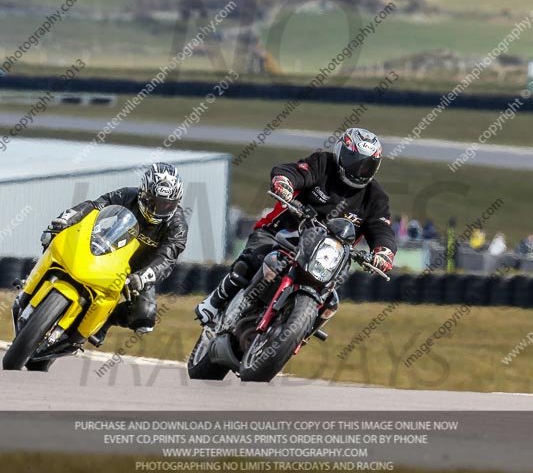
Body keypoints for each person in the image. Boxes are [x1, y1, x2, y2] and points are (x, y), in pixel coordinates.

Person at [196, 127, 397, 325]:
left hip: (327, 258)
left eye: (366, 165)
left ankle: (299, 331)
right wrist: (284, 183)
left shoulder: (375, 197)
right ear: (341, 154)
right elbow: (294, 172)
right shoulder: (323, 164)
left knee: (330, 303)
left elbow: (382, 229)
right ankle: (215, 302)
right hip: (284, 234)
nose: (359, 170)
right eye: (355, 162)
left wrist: (384, 253)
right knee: (257, 257)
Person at [40, 162, 188, 345]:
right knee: (53, 239)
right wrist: (66, 219)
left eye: (166, 205)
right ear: (143, 193)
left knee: (145, 318)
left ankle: (103, 323)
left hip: (139, 269)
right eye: (153, 201)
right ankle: (38, 281)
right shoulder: (127, 195)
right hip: (108, 247)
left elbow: (168, 258)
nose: (158, 210)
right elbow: (95, 206)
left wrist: (144, 277)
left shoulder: (178, 226)